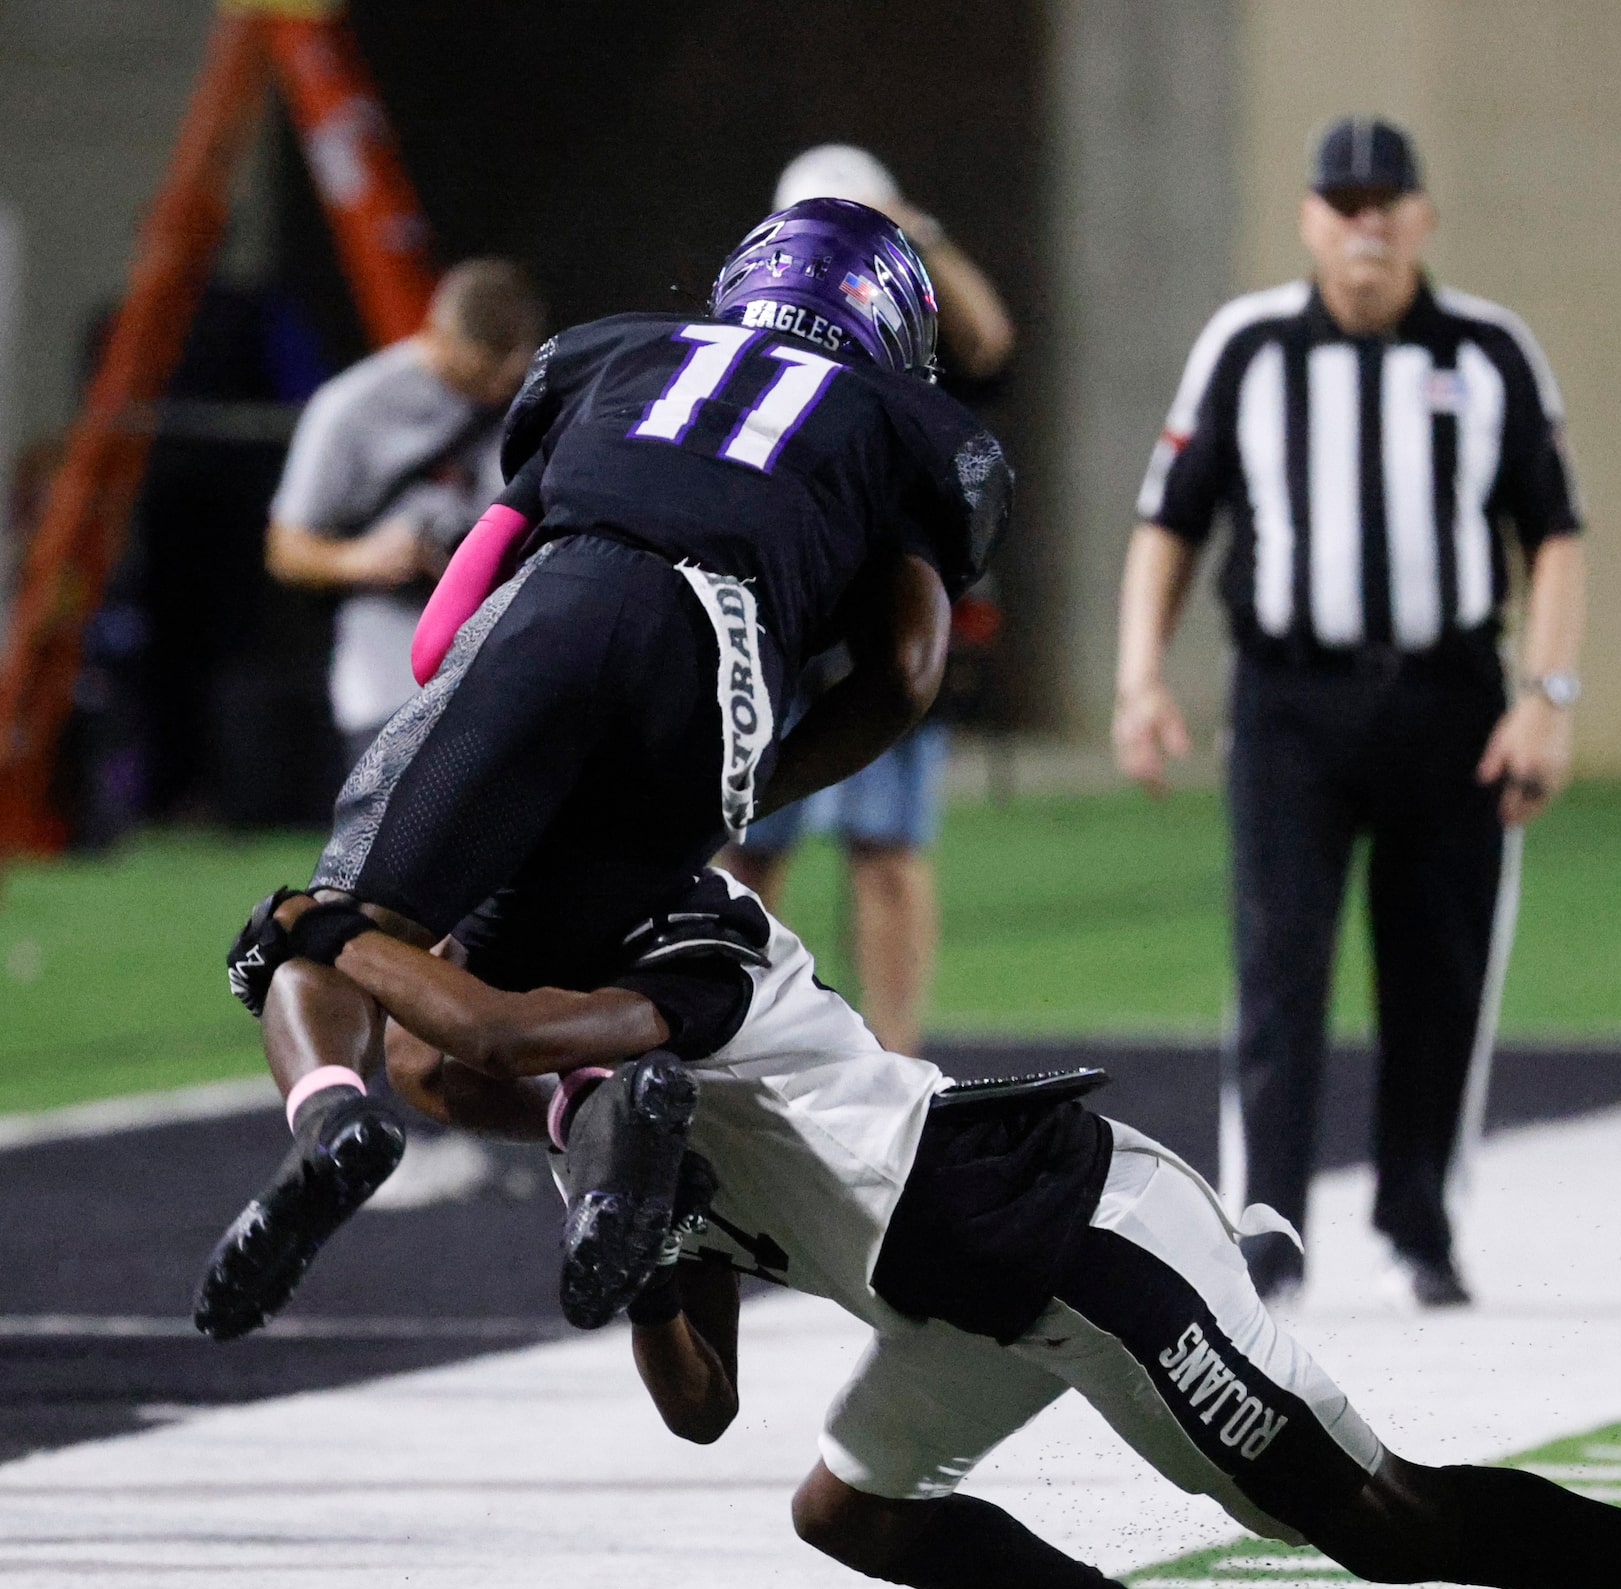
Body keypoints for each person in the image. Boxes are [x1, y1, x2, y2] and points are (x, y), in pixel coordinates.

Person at [232, 865, 1621, 1589]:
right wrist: (645, 1248)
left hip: (1076, 1237)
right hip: (953, 1292)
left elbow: (497, 1037)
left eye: (422, 1007)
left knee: (1378, 1522)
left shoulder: (692, 944)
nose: (408, 1059)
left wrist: (333, 932)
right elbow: (700, 1402)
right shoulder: (596, 1122)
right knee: (849, 1503)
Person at [197, 200, 1012, 1345]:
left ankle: (331, 1115)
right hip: (722, 691)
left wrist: (476, 736)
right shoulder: (911, 425)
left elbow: (443, 630)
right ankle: (604, 1119)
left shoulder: (614, 351)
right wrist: (759, 771)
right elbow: (909, 672)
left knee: (342, 929)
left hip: (565, 608)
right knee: (508, 1008)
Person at [1113, 117, 1587, 1308]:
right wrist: (1139, 676)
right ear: (1309, 219)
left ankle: (1420, 1217)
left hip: (1449, 695)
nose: (1364, 223)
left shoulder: (1489, 351)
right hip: (1291, 698)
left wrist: (1548, 698)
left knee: (1441, 964)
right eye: (1342, 201)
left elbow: (1555, 536)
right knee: (1278, 961)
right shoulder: (1249, 346)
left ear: (1423, 216)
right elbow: (1171, 521)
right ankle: (1268, 1229)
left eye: (1386, 201)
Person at [725, 145, 1017, 1053]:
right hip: (783, 617)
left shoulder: (907, 334)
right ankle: (729, 1036)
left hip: (877, 616)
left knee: (885, 849)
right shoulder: (756, 332)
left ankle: (896, 1051)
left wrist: (918, 233)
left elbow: (991, 351)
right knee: (747, 845)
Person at [268, 260, 547, 769]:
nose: (493, 392)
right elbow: (285, 549)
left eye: (504, 378)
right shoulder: (352, 407)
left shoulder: (529, 398)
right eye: (479, 374)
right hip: (390, 672)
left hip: (502, 667)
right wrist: (364, 560)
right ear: (438, 338)